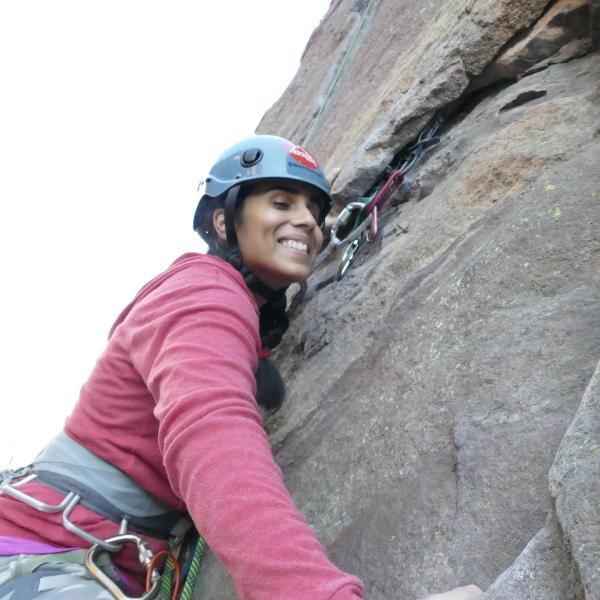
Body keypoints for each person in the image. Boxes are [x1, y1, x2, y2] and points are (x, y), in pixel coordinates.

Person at [0, 135, 482, 600]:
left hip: (82, 553)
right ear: (225, 223)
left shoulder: (239, 313)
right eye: (280, 203)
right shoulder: (203, 291)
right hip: (42, 550)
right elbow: (213, 438)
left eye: (314, 211)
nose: (308, 222)